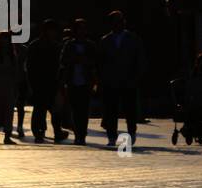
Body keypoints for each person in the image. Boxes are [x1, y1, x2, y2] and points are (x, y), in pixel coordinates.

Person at [97, 10, 146, 149]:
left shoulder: (133, 39)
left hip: (128, 80)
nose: (119, 24)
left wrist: (137, 77)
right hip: (110, 81)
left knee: (129, 109)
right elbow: (100, 62)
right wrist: (101, 79)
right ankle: (112, 136)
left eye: (121, 21)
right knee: (111, 110)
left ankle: (131, 132)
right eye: (116, 22)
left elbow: (140, 59)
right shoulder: (105, 40)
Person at [26, 19, 65, 143]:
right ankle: (43, 132)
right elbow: (30, 66)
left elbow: (60, 64)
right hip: (42, 81)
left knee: (49, 109)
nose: (53, 33)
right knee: (43, 109)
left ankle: (46, 132)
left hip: (49, 81)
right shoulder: (44, 46)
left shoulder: (53, 45)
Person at [59, 18, 98, 145]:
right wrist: (73, 60)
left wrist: (85, 61)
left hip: (86, 82)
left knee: (84, 110)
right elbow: (63, 61)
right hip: (72, 81)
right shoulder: (69, 45)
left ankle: (82, 134)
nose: (81, 31)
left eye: (83, 28)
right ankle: (77, 134)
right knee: (75, 109)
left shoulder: (90, 45)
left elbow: (96, 62)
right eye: (79, 28)